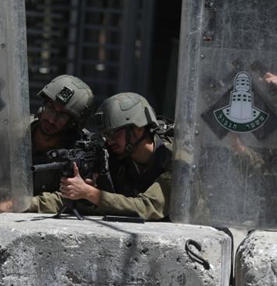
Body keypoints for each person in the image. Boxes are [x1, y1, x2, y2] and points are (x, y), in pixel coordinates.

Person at [28, 92, 173, 221]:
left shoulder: (174, 159)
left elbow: (147, 208)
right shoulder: (115, 156)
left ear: (138, 129)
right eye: (106, 135)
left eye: (115, 133)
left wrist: (92, 194)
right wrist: (27, 204)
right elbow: (73, 198)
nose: (110, 141)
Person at [31, 75, 94, 194]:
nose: (51, 120)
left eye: (62, 115)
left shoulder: (80, 152)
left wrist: (26, 204)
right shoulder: (19, 130)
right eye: (50, 107)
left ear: (73, 123)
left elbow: (68, 197)